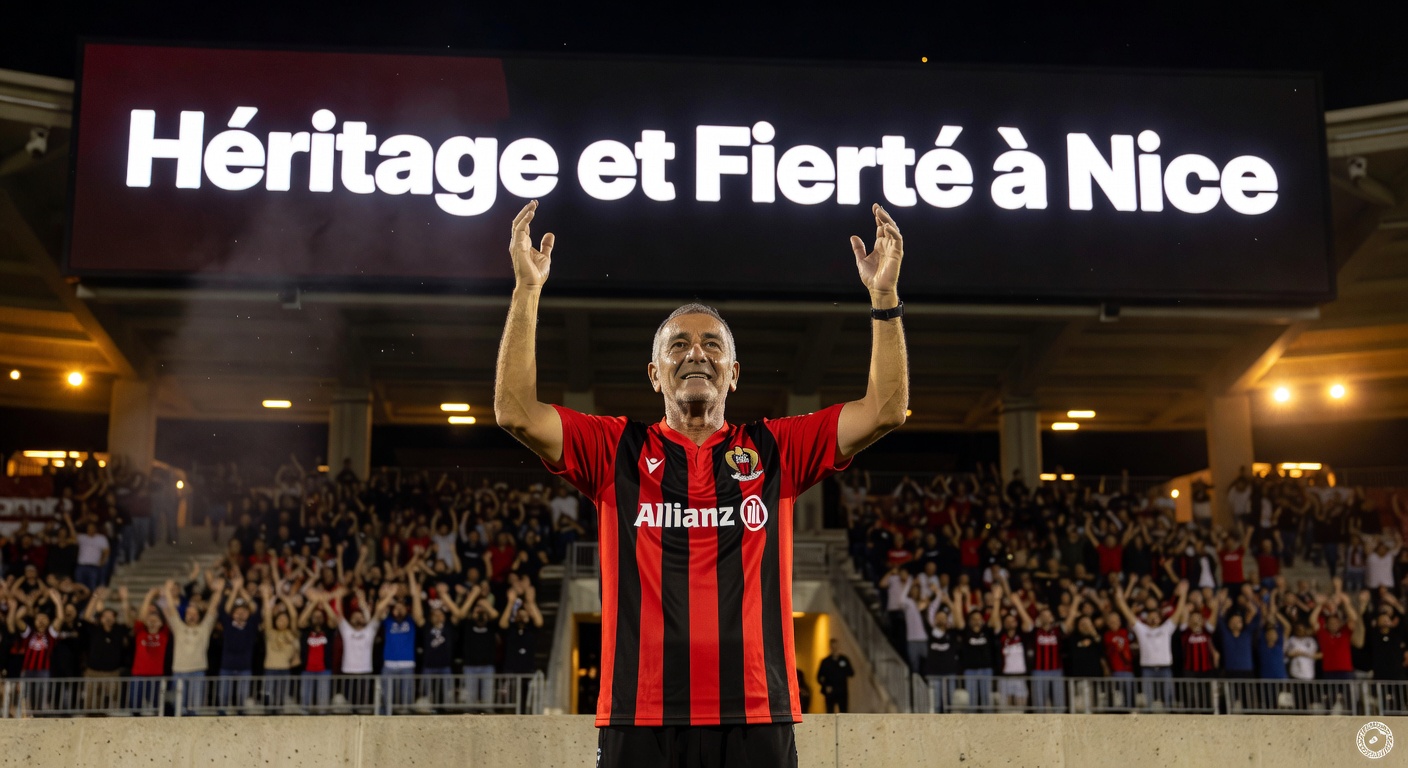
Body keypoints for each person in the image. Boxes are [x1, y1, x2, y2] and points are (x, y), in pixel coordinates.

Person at [493, 199, 908, 768]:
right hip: (640, 715)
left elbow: (885, 410)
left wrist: (884, 298)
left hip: (756, 715)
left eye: (713, 344)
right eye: (678, 345)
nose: (696, 353)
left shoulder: (774, 449)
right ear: (655, 373)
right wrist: (526, 290)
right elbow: (515, 412)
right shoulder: (615, 450)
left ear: (733, 374)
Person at [1115, 576, 1188, 709]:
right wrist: (1120, 599)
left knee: (1168, 701)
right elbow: (1127, 614)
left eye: (1156, 617)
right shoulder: (1142, 629)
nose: (1153, 618)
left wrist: (1183, 595)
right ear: (1146, 618)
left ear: (1160, 618)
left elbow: (1178, 612)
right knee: (1148, 703)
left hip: (1165, 668)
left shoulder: (1166, 628)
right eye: (1151, 616)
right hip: (1147, 669)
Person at [160, 576, 221, 714]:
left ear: (199, 616)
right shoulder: (179, 628)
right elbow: (172, 610)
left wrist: (218, 592)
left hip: (198, 671)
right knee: (179, 709)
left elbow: (212, 609)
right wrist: (168, 591)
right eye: (188, 613)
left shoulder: (204, 628)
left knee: (196, 709)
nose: (191, 616)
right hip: (179, 671)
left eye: (194, 613)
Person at [815, 640, 854, 714]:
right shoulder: (825, 662)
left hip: (842, 691)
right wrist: (825, 686)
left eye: (836, 647)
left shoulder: (844, 660)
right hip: (830, 691)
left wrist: (842, 671)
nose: (834, 649)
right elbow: (819, 677)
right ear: (830, 648)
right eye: (833, 647)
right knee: (830, 712)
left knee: (843, 712)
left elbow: (851, 673)